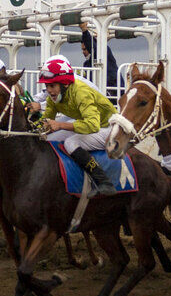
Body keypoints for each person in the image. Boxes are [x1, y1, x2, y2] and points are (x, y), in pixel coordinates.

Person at [36, 57, 119, 196]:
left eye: (52, 86)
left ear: (65, 84)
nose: (49, 91)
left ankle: (103, 182)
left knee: (71, 142)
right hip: (94, 125)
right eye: (47, 86)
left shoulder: (81, 92)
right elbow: (47, 120)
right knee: (47, 139)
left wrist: (60, 125)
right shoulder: (53, 98)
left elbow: (92, 125)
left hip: (110, 128)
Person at [79, 24, 119, 97]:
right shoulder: (86, 64)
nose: (83, 52)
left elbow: (93, 47)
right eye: (82, 49)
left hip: (113, 94)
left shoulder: (104, 51)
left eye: (85, 49)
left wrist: (84, 30)